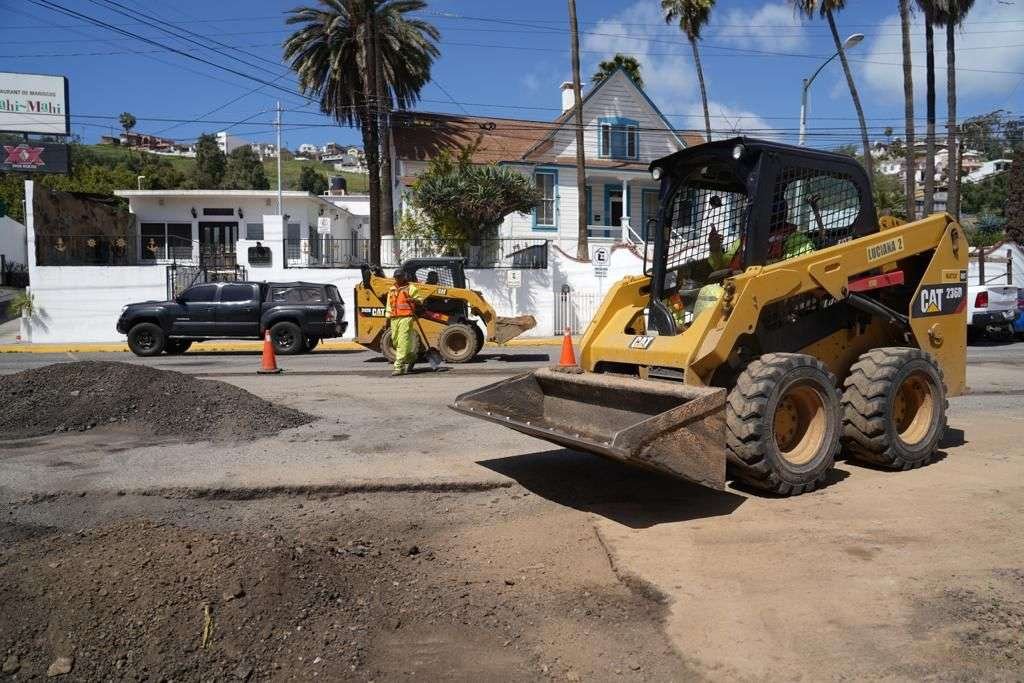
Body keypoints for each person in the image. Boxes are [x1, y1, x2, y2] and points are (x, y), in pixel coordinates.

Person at [385, 269, 425, 376]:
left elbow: (420, 300)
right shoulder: (392, 289)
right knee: (395, 342)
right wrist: (387, 319)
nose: (398, 279)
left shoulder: (411, 288)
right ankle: (412, 358)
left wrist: (413, 300)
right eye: (396, 277)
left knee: (403, 342)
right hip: (394, 318)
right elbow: (389, 305)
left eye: (400, 277)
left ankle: (399, 367)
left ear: (404, 277)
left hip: (406, 318)